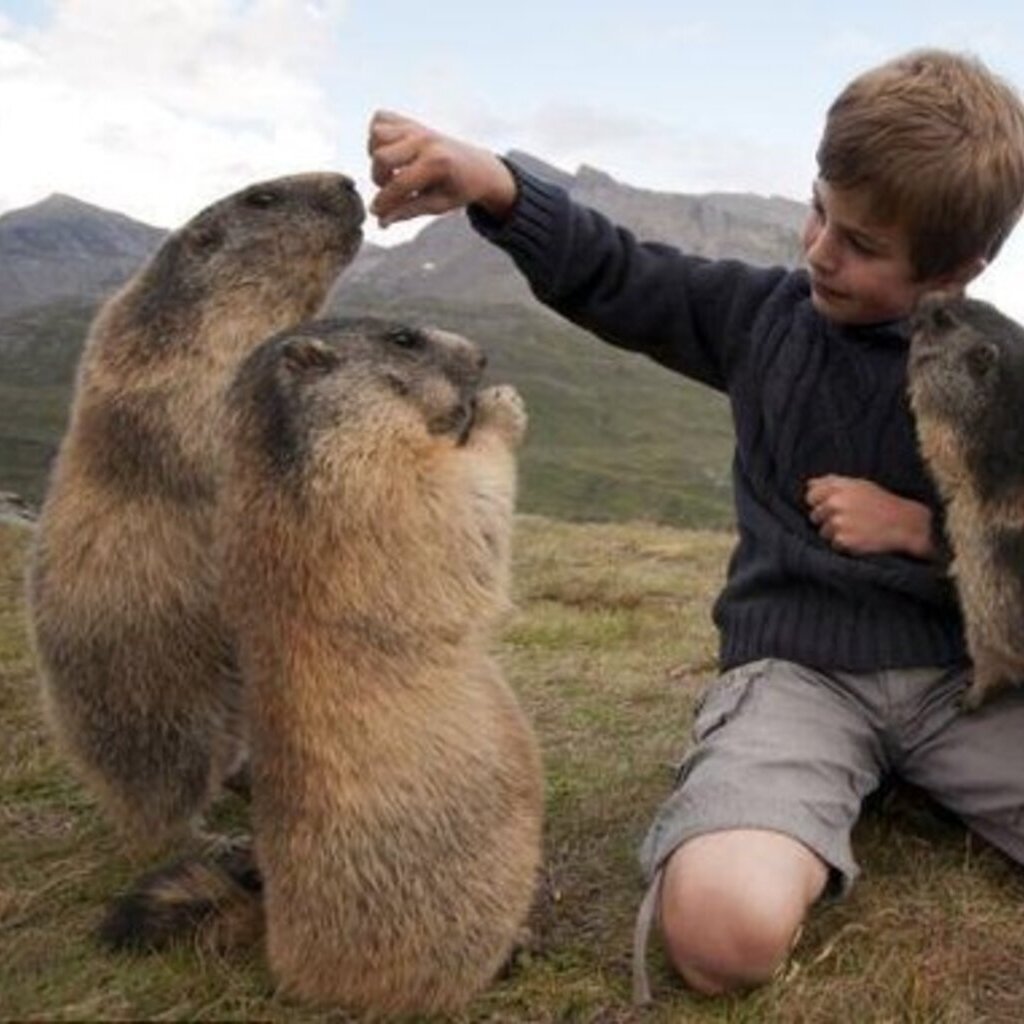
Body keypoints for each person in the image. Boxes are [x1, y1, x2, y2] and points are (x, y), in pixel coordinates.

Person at [367, 49, 1024, 998]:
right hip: (798, 679)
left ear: (958, 269)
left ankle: (898, 780)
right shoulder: (764, 318)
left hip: (963, 685)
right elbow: (622, 276)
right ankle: (807, 784)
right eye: (818, 211)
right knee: (722, 936)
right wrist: (500, 187)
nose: (819, 251)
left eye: (863, 244)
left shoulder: (999, 378)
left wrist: (925, 534)